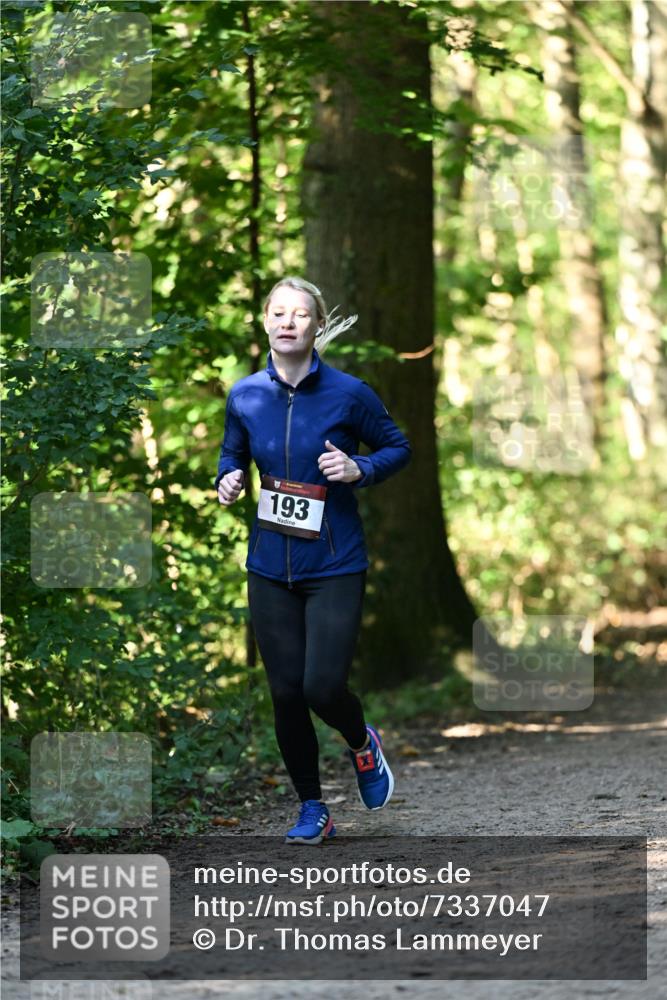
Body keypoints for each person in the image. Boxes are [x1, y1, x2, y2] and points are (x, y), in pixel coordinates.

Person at [215, 277, 411, 844]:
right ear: (265, 322)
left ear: (316, 326)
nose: (288, 322)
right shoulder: (245, 395)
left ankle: (359, 741)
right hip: (270, 566)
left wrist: (360, 469)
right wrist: (227, 480)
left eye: (300, 314)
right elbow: (232, 454)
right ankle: (312, 807)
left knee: (322, 687)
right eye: (278, 312)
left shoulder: (350, 394)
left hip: (334, 563)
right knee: (284, 692)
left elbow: (398, 447)